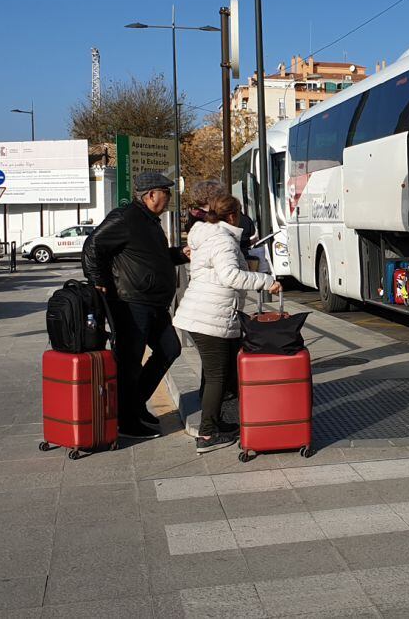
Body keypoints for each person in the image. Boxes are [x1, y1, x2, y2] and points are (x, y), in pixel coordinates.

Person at [81, 172, 190, 439]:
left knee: (169, 349)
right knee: (129, 362)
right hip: (131, 302)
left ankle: (134, 405)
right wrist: (99, 281)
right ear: (151, 194)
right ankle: (127, 421)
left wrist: (179, 254)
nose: (169, 197)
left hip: (153, 302)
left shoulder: (150, 221)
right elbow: (92, 245)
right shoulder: (125, 217)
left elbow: (151, 257)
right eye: (167, 192)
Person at [172, 194, 281, 453]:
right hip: (210, 317)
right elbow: (230, 275)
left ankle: (216, 423)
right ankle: (207, 435)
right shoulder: (222, 240)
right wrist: (266, 282)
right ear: (233, 215)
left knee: (219, 373)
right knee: (217, 376)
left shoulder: (209, 234)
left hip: (206, 313)